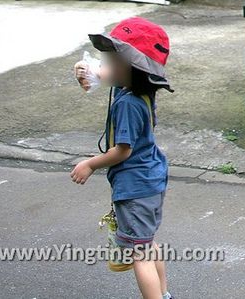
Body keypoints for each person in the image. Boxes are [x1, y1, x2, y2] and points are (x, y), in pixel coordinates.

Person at [71, 17, 175, 299]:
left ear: (133, 67)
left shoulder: (127, 103)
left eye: (113, 61)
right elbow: (105, 77)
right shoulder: (137, 87)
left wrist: (90, 164)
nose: (106, 66)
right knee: (149, 243)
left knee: (138, 254)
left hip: (135, 186)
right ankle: (164, 294)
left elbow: (122, 150)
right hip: (150, 180)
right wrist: (87, 73)